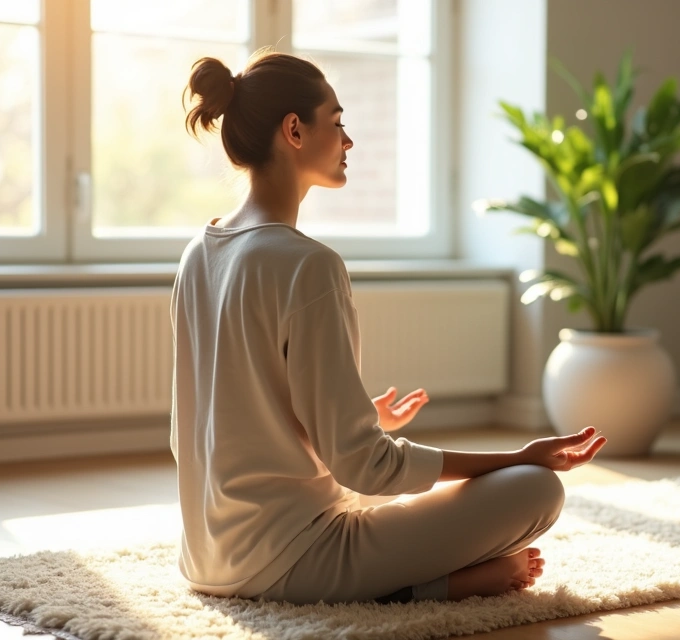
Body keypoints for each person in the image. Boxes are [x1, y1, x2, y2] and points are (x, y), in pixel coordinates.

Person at [171, 49, 608, 606]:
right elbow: (365, 467)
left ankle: (412, 581)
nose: (349, 141)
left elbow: (210, 424)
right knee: (536, 489)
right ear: (294, 131)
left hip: (204, 556)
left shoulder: (198, 253)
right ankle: (425, 589)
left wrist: (360, 417)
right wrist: (519, 457)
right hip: (290, 561)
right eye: (338, 122)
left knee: (380, 490)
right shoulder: (307, 264)